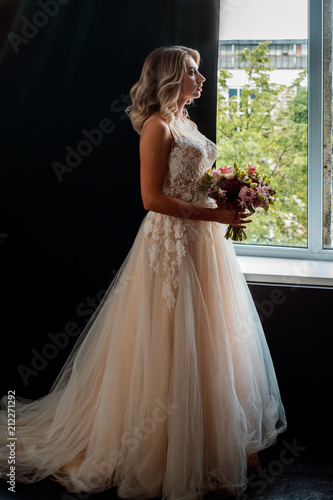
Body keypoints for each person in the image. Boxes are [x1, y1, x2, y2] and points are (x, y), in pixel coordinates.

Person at [0, 46, 286, 499]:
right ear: (172, 77)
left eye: (200, 70)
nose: (202, 78)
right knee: (170, 337)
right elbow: (151, 199)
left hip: (203, 246)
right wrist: (215, 216)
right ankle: (161, 450)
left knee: (212, 337)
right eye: (193, 71)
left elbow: (195, 182)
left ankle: (210, 444)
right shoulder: (157, 127)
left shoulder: (187, 123)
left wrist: (227, 196)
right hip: (170, 244)